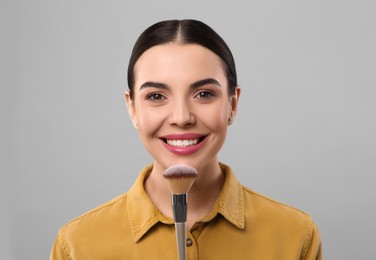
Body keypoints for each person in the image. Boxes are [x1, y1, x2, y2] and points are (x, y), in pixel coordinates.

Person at [51, 19, 322, 259]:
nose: (181, 117)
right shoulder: (77, 245)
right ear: (132, 108)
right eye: (156, 96)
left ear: (233, 105)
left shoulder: (295, 235)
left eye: (204, 94)